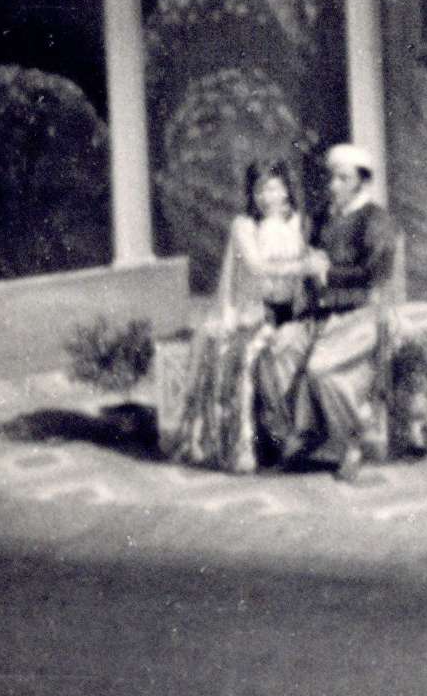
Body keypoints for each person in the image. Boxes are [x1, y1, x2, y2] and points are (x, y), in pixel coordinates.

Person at [254, 144, 397, 484]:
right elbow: (309, 260)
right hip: (318, 315)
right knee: (277, 351)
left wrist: (328, 273)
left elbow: (375, 274)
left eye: (343, 179)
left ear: (362, 182)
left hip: (358, 315)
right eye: (333, 177)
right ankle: (299, 435)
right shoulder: (322, 218)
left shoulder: (376, 220)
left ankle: (351, 444)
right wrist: (306, 268)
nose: (334, 185)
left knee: (319, 369)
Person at [169, 159, 310, 473]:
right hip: (255, 310)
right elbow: (257, 267)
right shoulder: (244, 226)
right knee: (251, 355)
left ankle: (290, 438)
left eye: (272, 188)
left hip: (290, 311)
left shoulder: (298, 224)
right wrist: (303, 267)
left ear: (287, 190)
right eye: (259, 190)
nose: (266, 197)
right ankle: (259, 442)